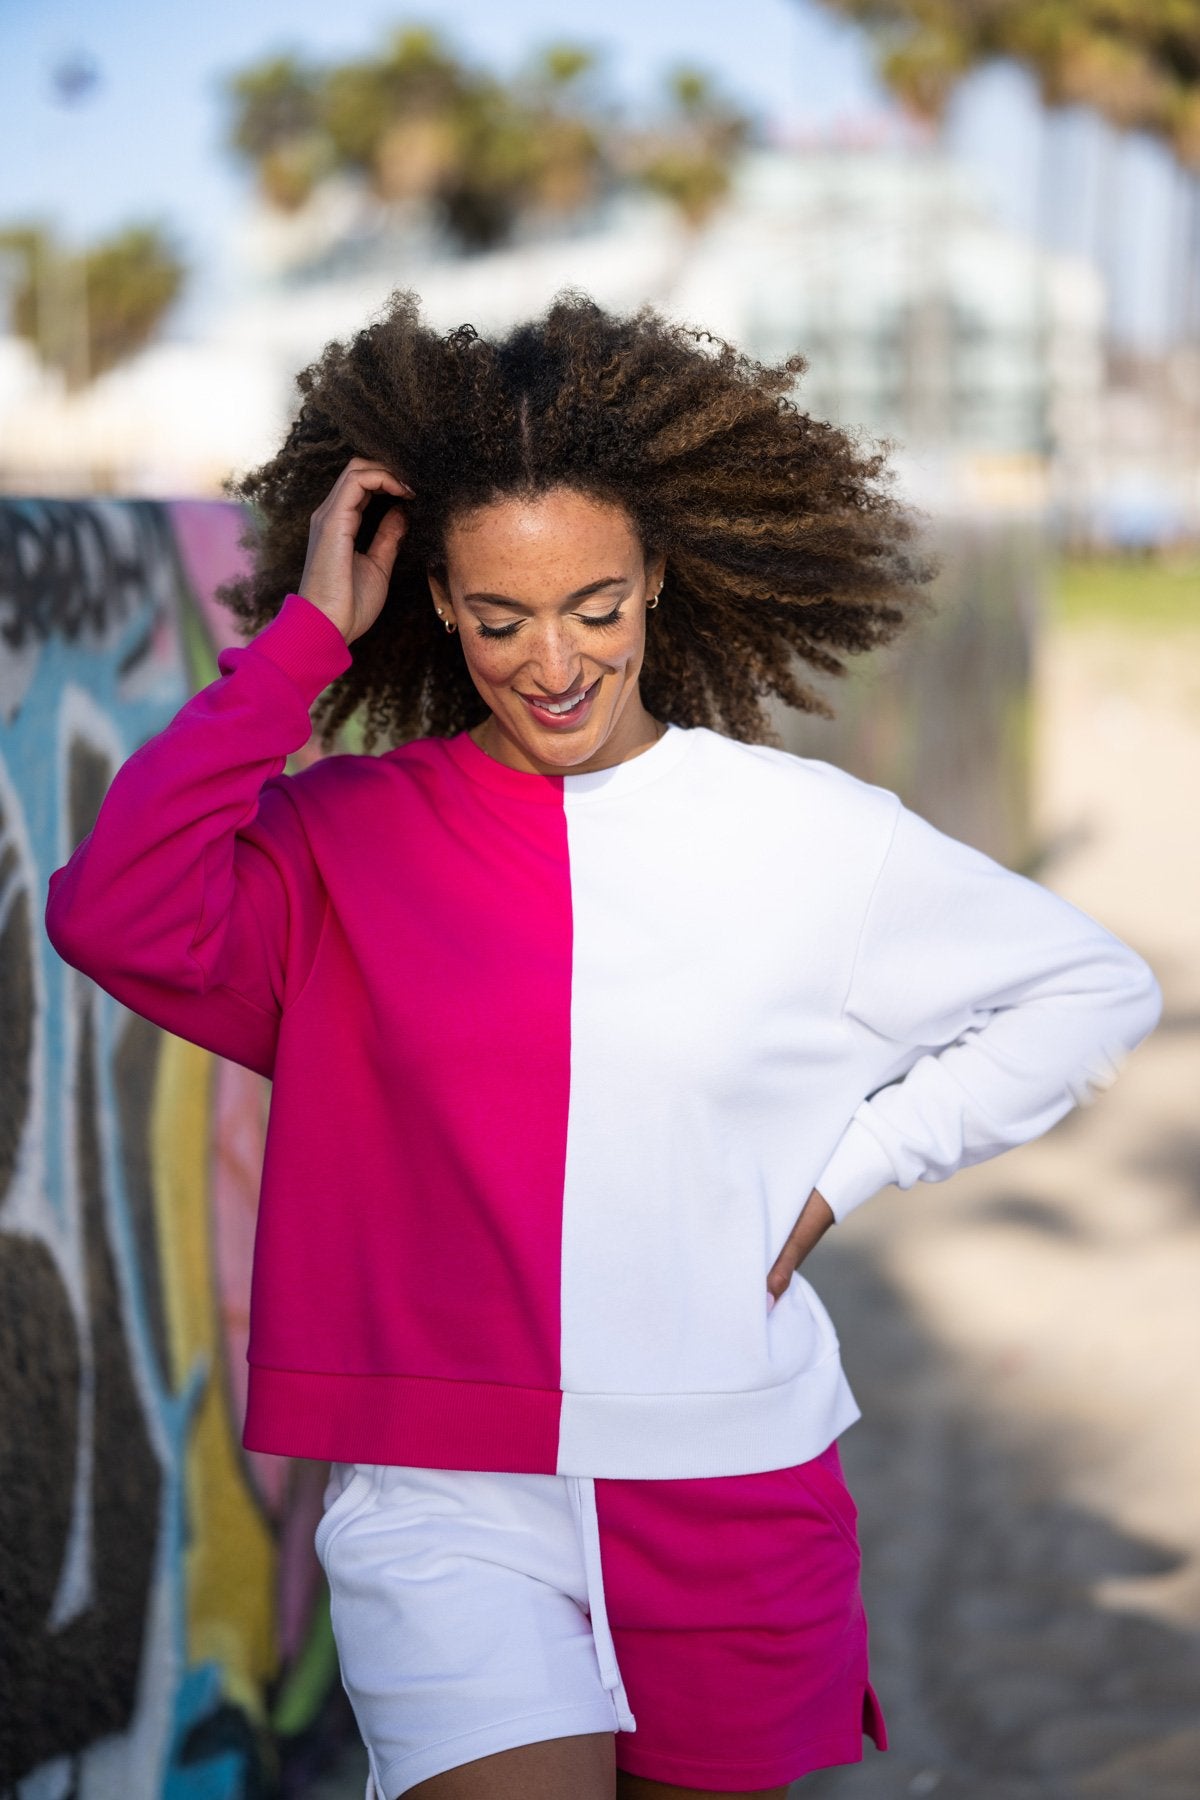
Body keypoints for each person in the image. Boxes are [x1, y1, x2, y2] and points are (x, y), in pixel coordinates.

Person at [44, 289, 1161, 1800]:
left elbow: (1089, 987)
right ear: (438, 603)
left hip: (730, 1480)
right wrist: (302, 644)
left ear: (657, 583)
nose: (553, 661)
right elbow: (115, 912)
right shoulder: (341, 839)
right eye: (499, 618)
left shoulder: (805, 836)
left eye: (596, 606)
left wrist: (857, 1164)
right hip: (444, 1500)